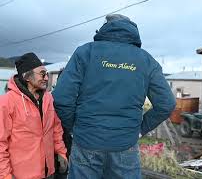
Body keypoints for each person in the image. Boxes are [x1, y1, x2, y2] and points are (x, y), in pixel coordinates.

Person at [52, 14, 176, 179]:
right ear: (132, 30)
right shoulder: (146, 60)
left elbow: (61, 98)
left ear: (105, 27)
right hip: (125, 144)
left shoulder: (85, 52)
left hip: (87, 142)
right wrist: (141, 129)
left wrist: (74, 127)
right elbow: (166, 103)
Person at [0, 53, 68, 179]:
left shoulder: (48, 98)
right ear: (27, 76)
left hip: (49, 172)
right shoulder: (6, 102)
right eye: (42, 74)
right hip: (21, 175)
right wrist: (5, 175)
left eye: (47, 74)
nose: (46, 78)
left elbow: (55, 128)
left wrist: (61, 152)